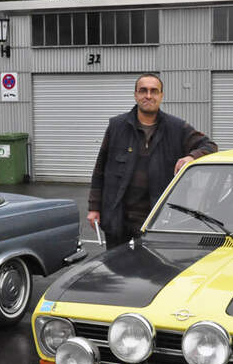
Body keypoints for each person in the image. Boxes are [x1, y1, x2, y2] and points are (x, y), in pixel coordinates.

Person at [87, 73, 218, 249]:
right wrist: (94, 208)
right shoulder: (117, 126)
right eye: (143, 91)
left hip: (158, 221)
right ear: (135, 95)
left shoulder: (176, 128)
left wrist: (191, 157)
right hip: (118, 219)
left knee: (154, 273)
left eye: (154, 91)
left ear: (161, 96)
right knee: (117, 270)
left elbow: (209, 145)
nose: (148, 96)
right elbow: (100, 170)